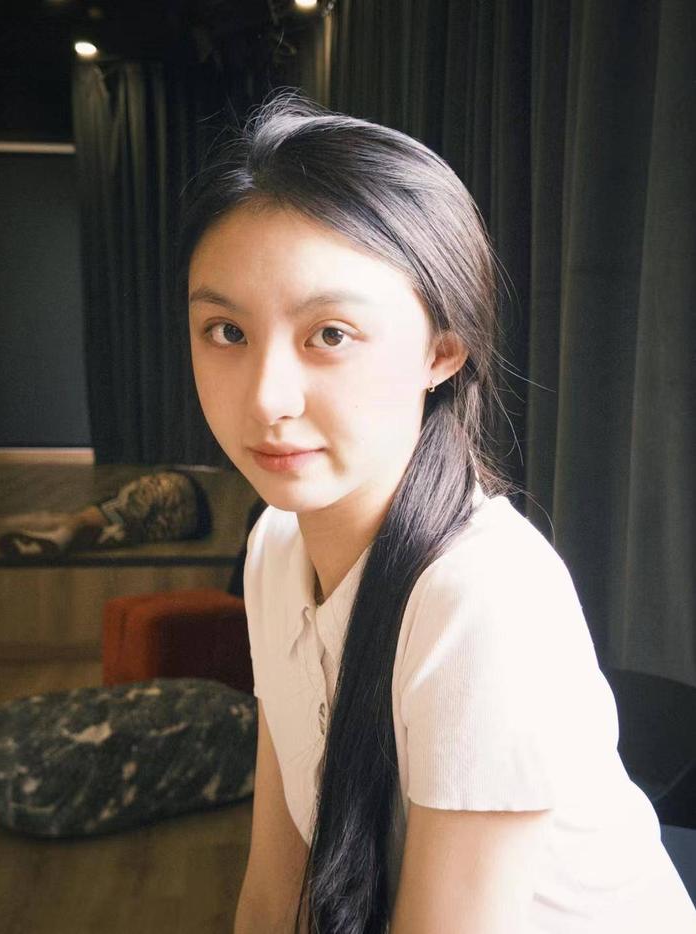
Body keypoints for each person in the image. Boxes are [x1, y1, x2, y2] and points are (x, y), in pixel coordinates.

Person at [178, 88, 696, 934]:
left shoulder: (482, 600)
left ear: (442, 351)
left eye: (330, 334)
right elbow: (276, 888)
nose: (267, 398)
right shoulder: (276, 546)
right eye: (226, 332)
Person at [0, 469, 212, 559]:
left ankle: (60, 536)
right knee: (117, 529)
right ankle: (65, 536)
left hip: (173, 491)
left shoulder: (143, 491)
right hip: (189, 524)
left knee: (82, 519)